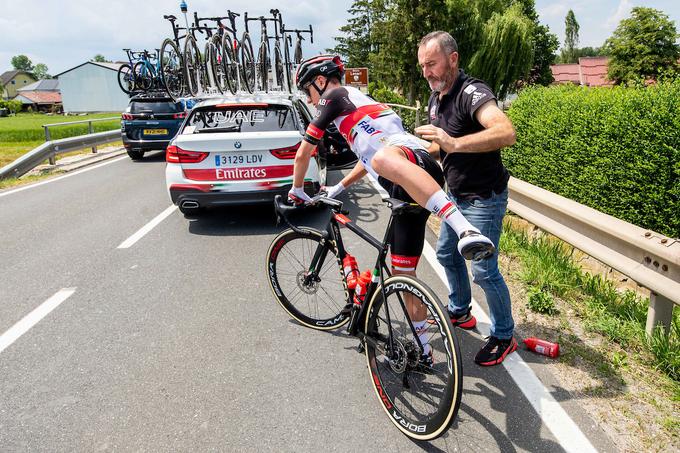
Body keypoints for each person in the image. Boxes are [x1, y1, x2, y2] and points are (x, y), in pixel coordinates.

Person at [288, 54, 495, 364]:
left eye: (308, 90)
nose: (309, 98)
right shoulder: (358, 105)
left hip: (413, 163)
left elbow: (304, 153)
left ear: (320, 81)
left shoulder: (334, 95)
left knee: (384, 159)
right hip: (406, 189)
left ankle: (464, 228)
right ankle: (424, 351)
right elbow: (368, 157)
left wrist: (297, 190)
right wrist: (338, 187)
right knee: (404, 276)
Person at [414, 31, 518, 366]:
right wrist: (411, 152)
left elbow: (506, 132)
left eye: (432, 63)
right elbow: (440, 144)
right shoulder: (436, 97)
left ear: (453, 59)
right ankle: (460, 311)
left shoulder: (471, 92)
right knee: (446, 253)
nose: (427, 71)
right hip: (455, 196)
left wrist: (454, 143)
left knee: (485, 271)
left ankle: (503, 336)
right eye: (423, 66)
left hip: (484, 197)